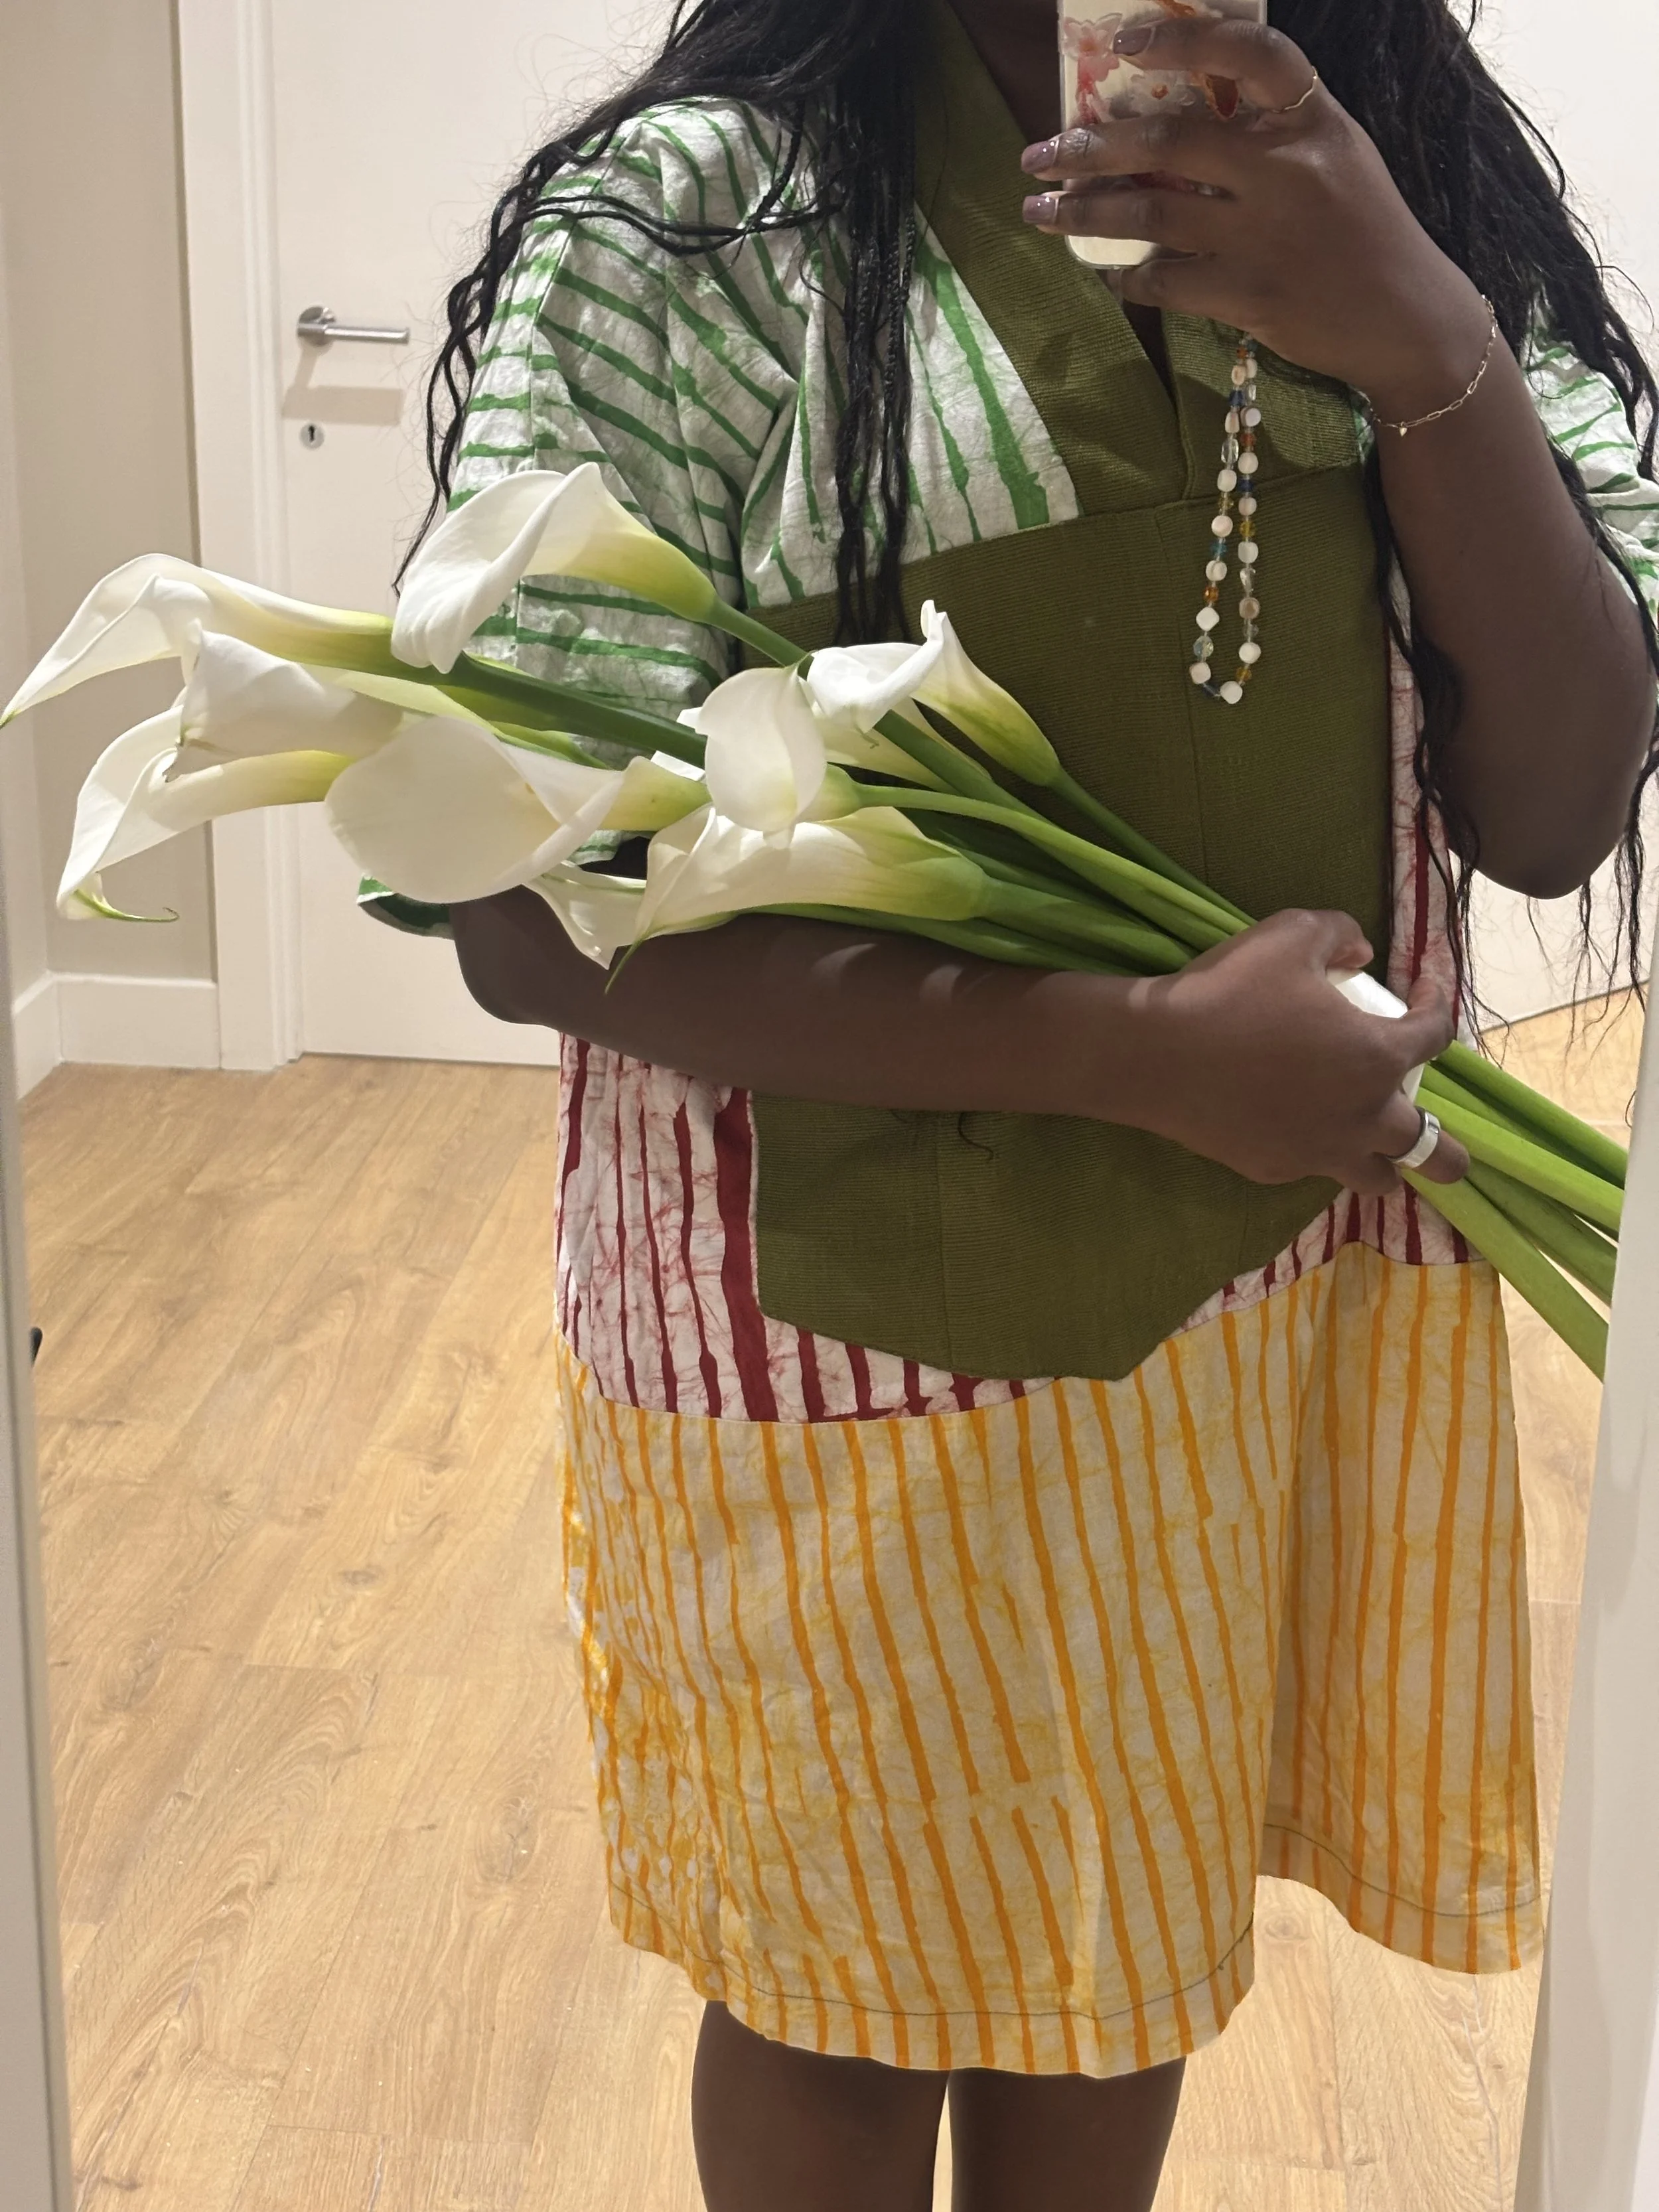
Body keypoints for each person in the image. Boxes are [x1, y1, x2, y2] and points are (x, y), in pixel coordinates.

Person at [406, 3, 1659, 2205]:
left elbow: (1553, 806)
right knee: (836, 1997)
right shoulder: (695, 229)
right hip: (831, 1330)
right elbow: (525, 899)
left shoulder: (1408, 194)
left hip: (1244, 1296)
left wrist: (1419, 336)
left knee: (1123, 1940)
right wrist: (1130, 1049)